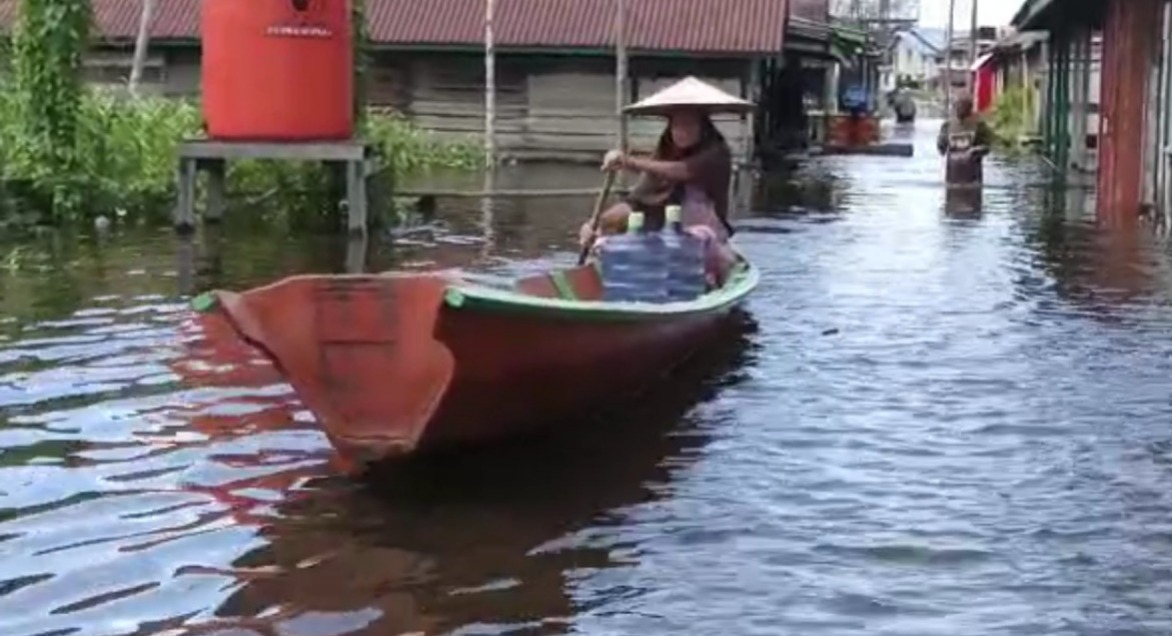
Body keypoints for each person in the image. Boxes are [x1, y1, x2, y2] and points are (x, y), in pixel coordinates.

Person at [578, 77, 744, 286]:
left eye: (689, 125)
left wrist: (627, 161)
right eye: (676, 125)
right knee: (606, 240)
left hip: (705, 241)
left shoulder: (716, 154)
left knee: (702, 241)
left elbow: (681, 171)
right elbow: (635, 202)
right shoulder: (664, 155)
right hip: (664, 237)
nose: (682, 131)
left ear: (703, 128)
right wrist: (596, 225)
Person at [936, 93, 992, 186]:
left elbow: (988, 146)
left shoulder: (979, 125)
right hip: (952, 178)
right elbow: (941, 148)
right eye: (957, 106)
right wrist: (942, 143)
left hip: (972, 178)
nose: (959, 109)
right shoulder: (947, 126)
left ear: (970, 108)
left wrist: (976, 150)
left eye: (963, 106)